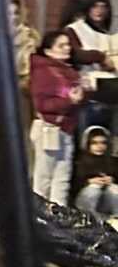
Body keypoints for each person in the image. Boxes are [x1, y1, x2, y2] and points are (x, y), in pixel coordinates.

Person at [30, 29, 85, 206]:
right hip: (49, 128)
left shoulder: (68, 72)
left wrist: (84, 92)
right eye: (61, 45)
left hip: (65, 129)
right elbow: (43, 105)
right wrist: (69, 101)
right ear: (48, 50)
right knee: (44, 178)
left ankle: (58, 218)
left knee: (62, 177)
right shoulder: (44, 71)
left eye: (68, 44)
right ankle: (38, 217)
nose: (67, 48)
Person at [65, 0, 116, 137]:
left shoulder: (108, 36)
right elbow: (75, 54)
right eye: (95, 6)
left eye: (103, 6)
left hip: (108, 94)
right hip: (86, 95)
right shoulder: (74, 29)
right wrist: (101, 57)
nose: (99, 11)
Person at [73, 126, 118, 221]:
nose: (99, 146)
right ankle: (88, 220)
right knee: (93, 189)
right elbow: (73, 185)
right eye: (95, 143)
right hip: (85, 201)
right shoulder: (80, 161)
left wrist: (112, 179)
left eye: (103, 143)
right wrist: (88, 181)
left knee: (114, 189)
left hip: (105, 203)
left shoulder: (113, 161)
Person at [10, 0, 40, 133]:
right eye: (9, 13)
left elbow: (28, 64)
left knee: (20, 131)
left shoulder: (29, 37)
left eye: (16, 13)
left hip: (20, 87)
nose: (13, 17)